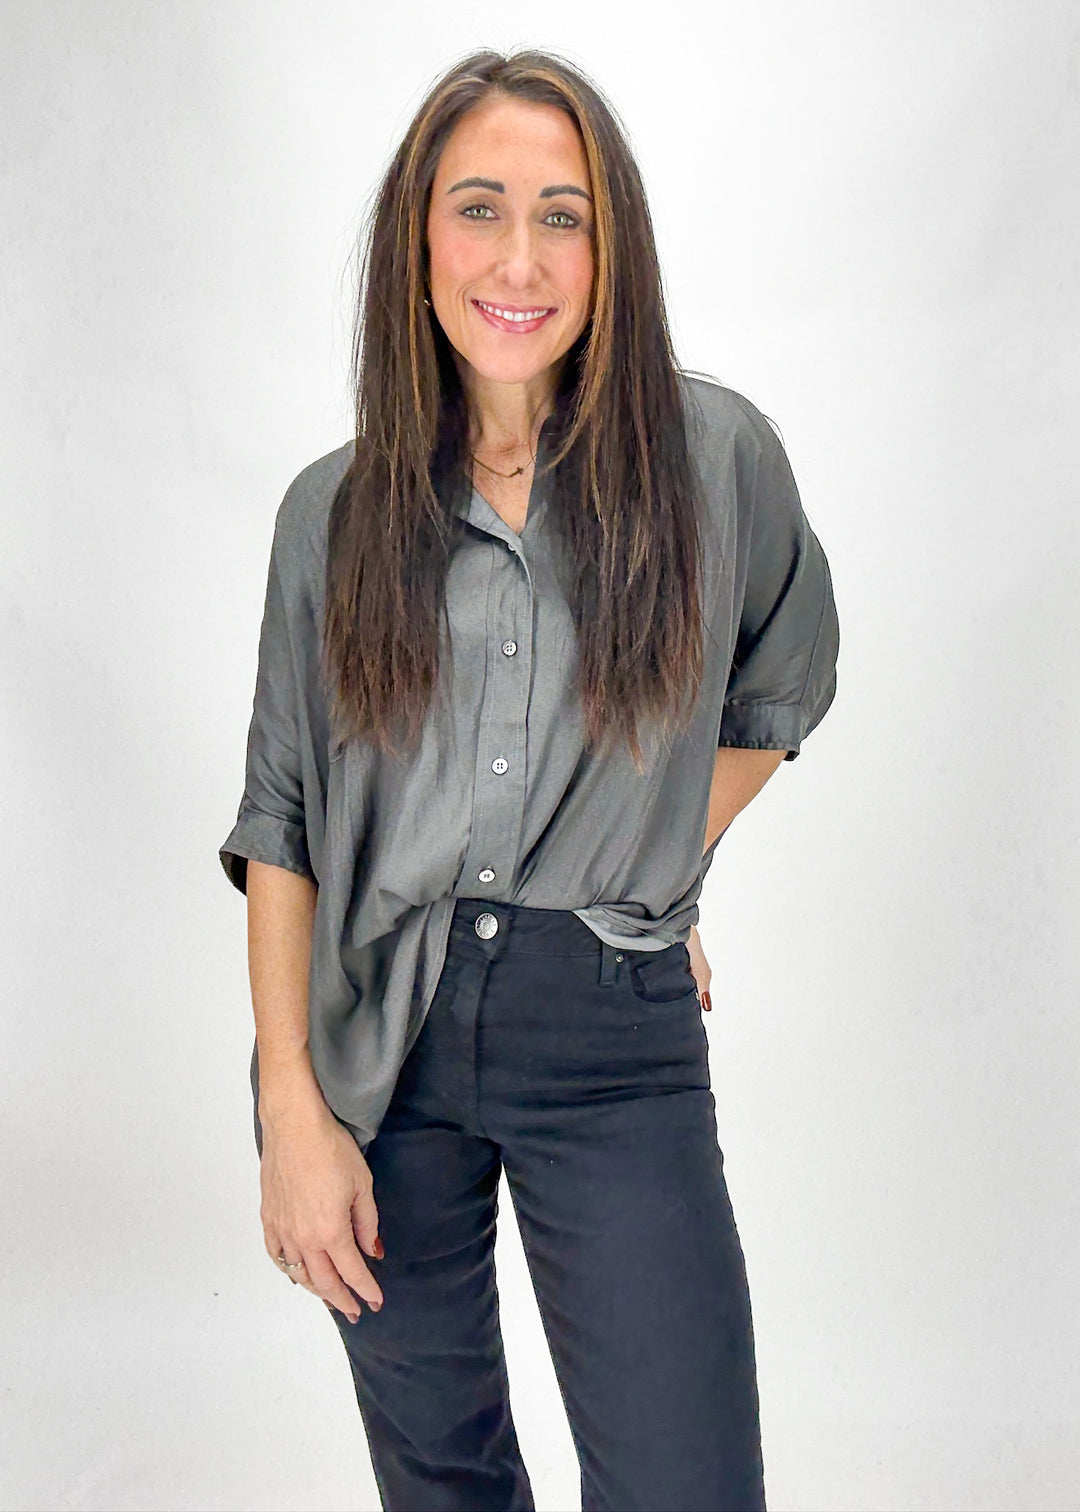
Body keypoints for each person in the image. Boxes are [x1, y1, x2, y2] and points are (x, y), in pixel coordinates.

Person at [219, 46, 839, 1512]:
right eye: (478, 207)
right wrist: (295, 1117)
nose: (519, 257)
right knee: (441, 1477)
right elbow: (282, 822)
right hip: (383, 1032)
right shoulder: (332, 512)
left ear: (611, 245)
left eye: (563, 216)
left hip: (610, 1029)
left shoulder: (713, 460)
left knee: (684, 1478)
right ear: (415, 240)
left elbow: (785, 681)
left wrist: (645, 859)